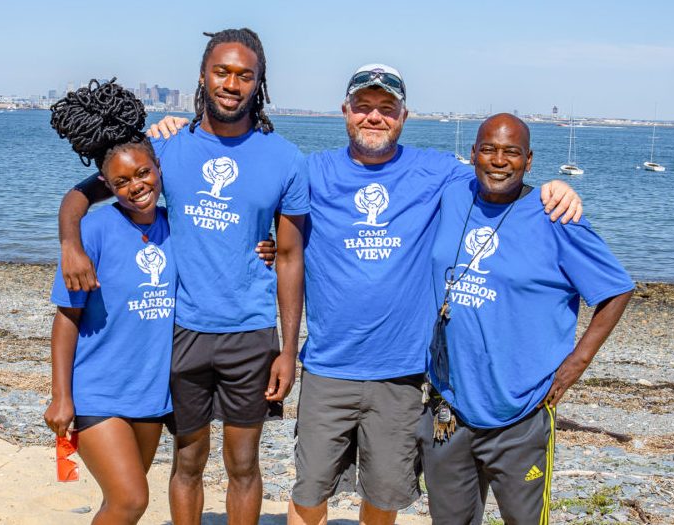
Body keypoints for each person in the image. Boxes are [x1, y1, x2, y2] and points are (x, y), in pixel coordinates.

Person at [151, 64, 583, 525]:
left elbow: (499, 175)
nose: (374, 116)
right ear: (345, 111)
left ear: (403, 116)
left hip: (401, 373)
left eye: (386, 108)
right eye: (363, 106)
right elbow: (248, 201)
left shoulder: (437, 172)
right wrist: (183, 133)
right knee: (309, 488)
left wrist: (552, 188)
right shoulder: (311, 170)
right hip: (327, 367)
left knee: (383, 492)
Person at [57, 29, 307, 525]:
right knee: (187, 461)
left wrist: (288, 349)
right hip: (183, 330)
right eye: (222, 72)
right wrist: (70, 244)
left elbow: (289, 256)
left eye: (244, 75)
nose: (231, 84)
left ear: (259, 82)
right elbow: (83, 195)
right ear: (202, 75)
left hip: (250, 332)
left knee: (243, 464)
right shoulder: (165, 146)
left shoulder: (286, 159)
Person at [419, 113, 634, 524]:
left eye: (511, 152)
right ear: (473, 154)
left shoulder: (555, 215)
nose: (499, 160)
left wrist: (577, 362)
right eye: (489, 149)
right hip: (448, 406)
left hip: (521, 411)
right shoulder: (453, 195)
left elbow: (616, 289)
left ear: (529, 160)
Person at [43, 79, 177, 524]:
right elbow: (66, 319)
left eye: (143, 173)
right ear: (107, 185)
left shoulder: (176, 227)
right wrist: (61, 398)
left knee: (122, 503)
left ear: (158, 167)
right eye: (122, 181)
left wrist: (264, 248)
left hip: (152, 394)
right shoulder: (93, 233)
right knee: (131, 500)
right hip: (98, 390)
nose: (136, 186)